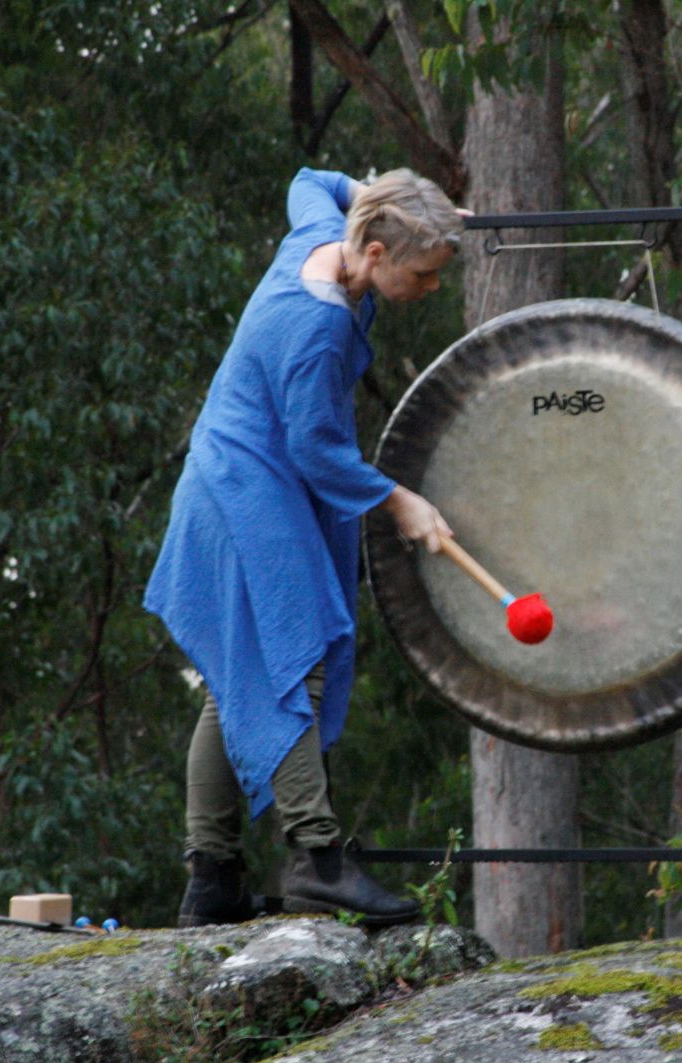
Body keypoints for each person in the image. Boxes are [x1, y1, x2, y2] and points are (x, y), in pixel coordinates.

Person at [144, 167, 462, 928]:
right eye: (423, 273)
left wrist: (407, 202)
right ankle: (316, 861)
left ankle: (211, 881)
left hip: (246, 479)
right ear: (378, 253)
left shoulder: (320, 232)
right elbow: (317, 450)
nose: (431, 287)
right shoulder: (316, 328)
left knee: (234, 687)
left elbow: (308, 178)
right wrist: (401, 501)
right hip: (244, 493)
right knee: (297, 659)